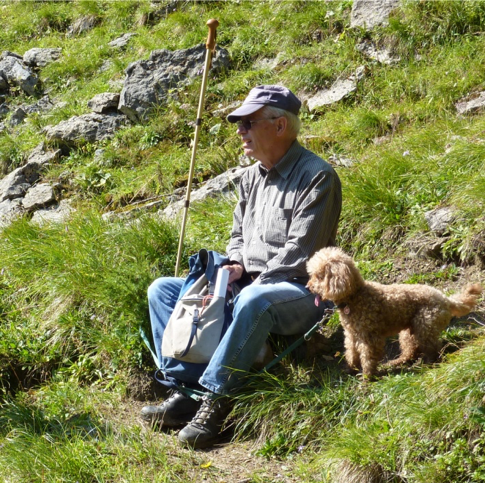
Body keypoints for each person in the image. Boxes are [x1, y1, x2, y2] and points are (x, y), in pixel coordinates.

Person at [141, 85, 342, 449]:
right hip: (248, 283)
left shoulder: (317, 176)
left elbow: (301, 253)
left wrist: (247, 286)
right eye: (239, 124)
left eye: (248, 123)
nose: (240, 132)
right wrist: (233, 266)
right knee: (163, 290)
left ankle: (216, 402)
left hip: (300, 292)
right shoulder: (250, 177)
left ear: (279, 126)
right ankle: (186, 389)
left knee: (254, 301)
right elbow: (237, 234)